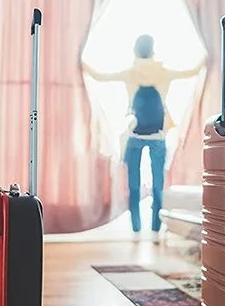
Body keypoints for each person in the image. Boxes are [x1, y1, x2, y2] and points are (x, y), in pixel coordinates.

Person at [83, 35, 205, 240]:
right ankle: (156, 229)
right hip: (158, 134)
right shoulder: (163, 72)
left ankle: (136, 229)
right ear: (153, 49)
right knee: (158, 184)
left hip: (134, 133)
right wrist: (207, 55)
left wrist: (80, 61)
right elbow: (191, 72)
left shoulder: (131, 72)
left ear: (135, 51)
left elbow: (99, 76)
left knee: (134, 183)